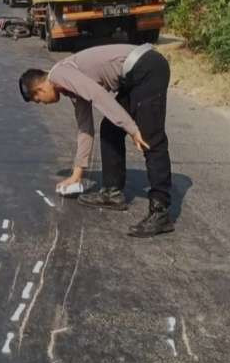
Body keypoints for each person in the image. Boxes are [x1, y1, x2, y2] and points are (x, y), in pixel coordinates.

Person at [18, 43, 174, 237]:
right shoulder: (68, 85)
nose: (43, 104)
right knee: (110, 129)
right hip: (134, 76)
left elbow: (98, 96)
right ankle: (112, 193)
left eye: (39, 100)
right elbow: (85, 129)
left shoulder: (60, 75)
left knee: (150, 137)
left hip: (148, 68)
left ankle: (160, 211)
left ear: (40, 89)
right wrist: (77, 175)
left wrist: (132, 129)